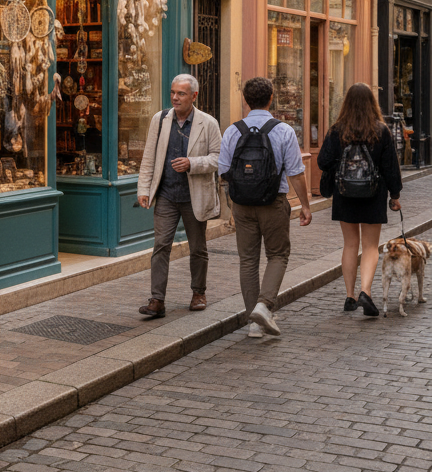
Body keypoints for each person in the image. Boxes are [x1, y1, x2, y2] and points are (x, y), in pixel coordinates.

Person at [218, 76, 313, 338]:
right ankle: (264, 305)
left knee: (248, 260)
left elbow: (224, 170)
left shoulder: (232, 130)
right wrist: (305, 205)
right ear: (271, 98)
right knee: (278, 255)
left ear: (245, 100)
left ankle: (255, 323)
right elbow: (296, 172)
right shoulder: (283, 131)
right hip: (273, 202)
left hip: (242, 205)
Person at [136, 75, 222, 318]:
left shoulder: (208, 123)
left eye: (181, 94)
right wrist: (144, 189)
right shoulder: (160, 119)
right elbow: (149, 156)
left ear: (194, 96)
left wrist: (192, 163)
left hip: (194, 196)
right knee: (161, 246)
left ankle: (198, 293)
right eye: (173, 92)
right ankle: (157, 299)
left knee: (197, 248)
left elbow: (219, 158)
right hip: (165, 194)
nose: (175, 97)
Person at [317, 82, 402, 316]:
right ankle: (366, 291)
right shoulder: (380, 130)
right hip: (373, 194)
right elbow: (390, 167)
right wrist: (394, 196)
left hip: (345, 193)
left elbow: (322, 161)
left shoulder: (337, 130)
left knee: (350, 244)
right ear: (371, 104)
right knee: (371, 246)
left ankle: (350, 296)